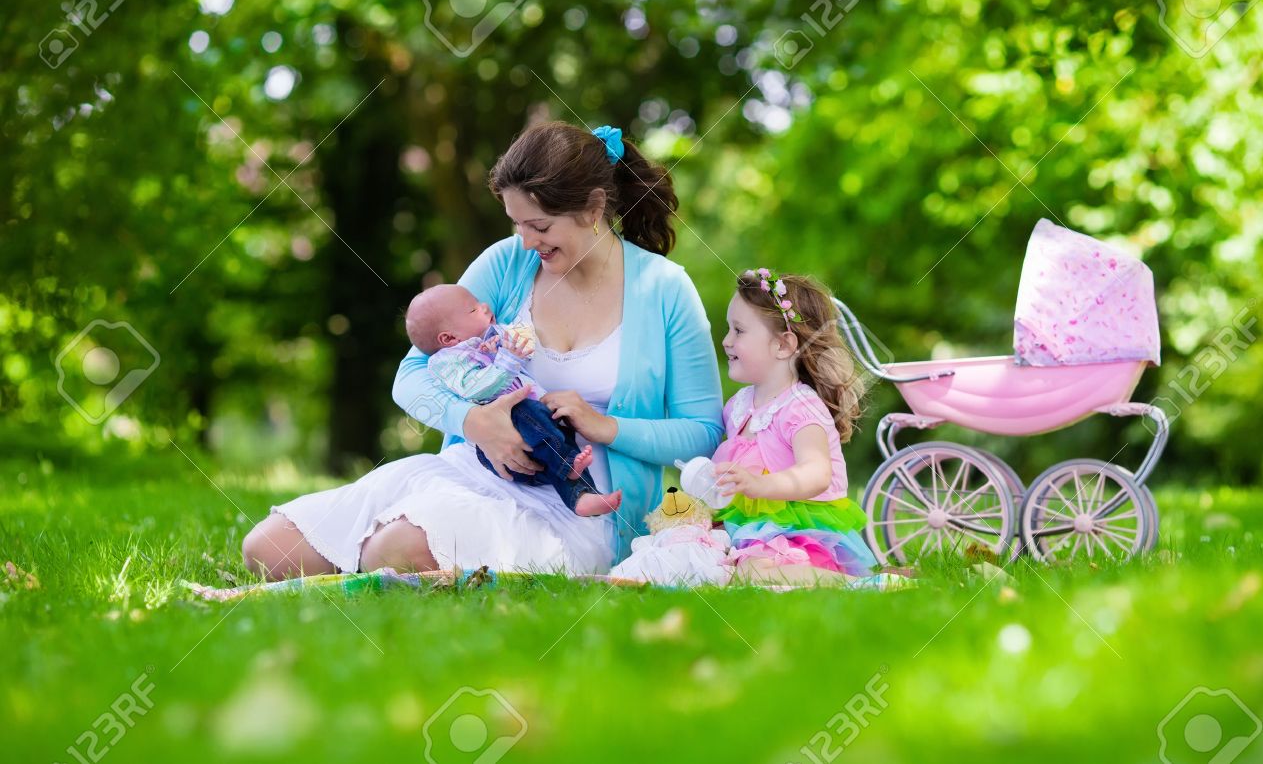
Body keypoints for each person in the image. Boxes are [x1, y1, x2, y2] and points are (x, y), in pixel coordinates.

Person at [241, 122, 724, 579]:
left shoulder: (663, 290)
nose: (526, 241)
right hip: (471, 471)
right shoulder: (508, 262)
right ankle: (393, 555)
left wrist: (607, 427)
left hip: (581, 507)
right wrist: (475, 424)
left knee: (398, 548)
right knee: (266, 550)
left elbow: (702, 433)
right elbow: (412, 376)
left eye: (539, 226)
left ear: (593, 209)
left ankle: (394, 557)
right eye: (516, 223)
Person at [710, 267, 876, 584]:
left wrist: (761, 486)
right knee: (709, 557)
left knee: (752, 571)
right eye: (728, 329)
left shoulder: (801, 408)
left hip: (800, 530)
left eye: (739, 331)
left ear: (783, 345)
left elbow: (816, 473)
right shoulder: (739, 406)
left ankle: (853, 585)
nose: (726, 340)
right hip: (750, 526)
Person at [403, 283, 622, 517]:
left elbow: (524, 338)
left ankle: (580, 498)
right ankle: (568, 468)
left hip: (538, 432)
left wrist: (505, 343)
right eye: (473, 310)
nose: (485, 307)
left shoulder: (489, 338)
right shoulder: (448, 361)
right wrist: (506, 358)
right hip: (507, 432)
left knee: (562, 439)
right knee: (535, 421)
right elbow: (477, 389)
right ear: (448, 338)